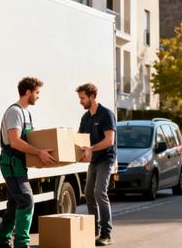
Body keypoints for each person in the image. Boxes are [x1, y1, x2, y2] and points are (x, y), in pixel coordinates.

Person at [0, 77, 57, 248]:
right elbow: (15, 141)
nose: (38, 96)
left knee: (14, 203)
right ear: (28, 92)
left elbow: (29, 140)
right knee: (26, 200)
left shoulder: (26, 112)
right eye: (37, 93)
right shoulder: (14, 112)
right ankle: (22, 243)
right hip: (11, 164)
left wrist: (42, 154)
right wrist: (38, 152)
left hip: (19, 164)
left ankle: (2, 242)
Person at [76, 83, 116, 246]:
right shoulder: (86, 118)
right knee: (88, 194)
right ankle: (93, 230)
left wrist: (91, 148)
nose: (80, 101)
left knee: (100, 192)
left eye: (83, 98)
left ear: (92, 96)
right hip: (93, 161)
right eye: (79, 98)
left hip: (106, 159)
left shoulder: (106, 114)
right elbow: (80, 139)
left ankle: (107, 234)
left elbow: (109, 141)